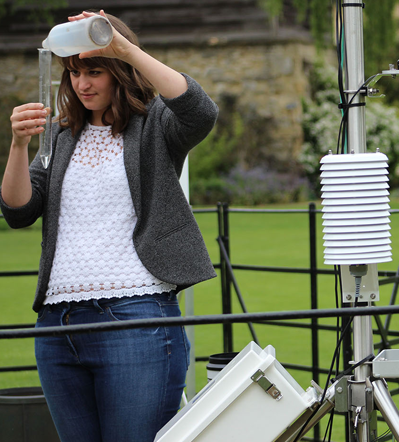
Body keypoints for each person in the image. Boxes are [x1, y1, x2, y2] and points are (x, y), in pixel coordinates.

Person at [0, 10, 218, 442]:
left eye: (95, 70)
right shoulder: (61, 134)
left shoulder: (155, 125)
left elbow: (200, 111)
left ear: (119, 70)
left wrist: (124, 47)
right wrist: (19, 145)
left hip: (135, 318)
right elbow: (18, 210)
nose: (82, 84)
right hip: (57, 326)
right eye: (75, 72)